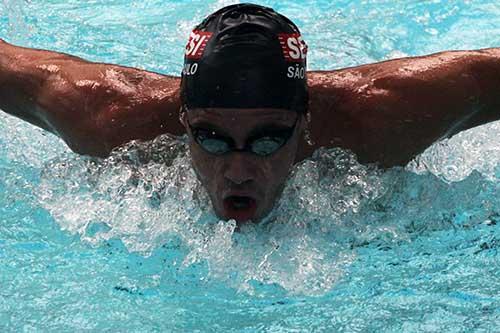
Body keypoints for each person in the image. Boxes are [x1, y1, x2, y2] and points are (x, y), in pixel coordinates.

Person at [0, 4, 498, 223]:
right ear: (182, 119)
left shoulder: (384, 115)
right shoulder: (109, 115)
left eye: (267, 140)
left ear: (306, 124)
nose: (238, 171)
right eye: (212, 138)